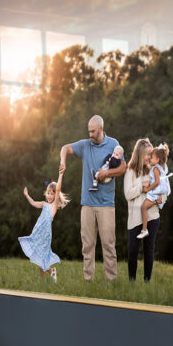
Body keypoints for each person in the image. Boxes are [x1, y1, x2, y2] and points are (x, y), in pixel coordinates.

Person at [59, 115, 126, 282]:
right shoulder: (85, 145)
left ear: (101, 129)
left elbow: (123, 168)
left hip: (106, 205)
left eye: (93, 131)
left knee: (108, 245)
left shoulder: (113, 144)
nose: (91, 135)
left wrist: (107, 173)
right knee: (87, 246)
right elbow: (65, 147)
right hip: (87, 204)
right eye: (89, 131)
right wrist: (63, 161)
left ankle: (111, 282)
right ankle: (88, 280)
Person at [18, 171, 70, 282]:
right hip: (37, 232)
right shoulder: (43, 204)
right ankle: (44, 280)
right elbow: (33, 203)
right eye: (48, 193)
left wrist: (60, 175)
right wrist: (27, 196)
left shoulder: (54, 206)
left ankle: (51, 272)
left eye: (52, 194)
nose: (49, 196)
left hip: (45, 235)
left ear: (55, 195)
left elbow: (58, 188)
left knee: (42, 257)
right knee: (38, 258)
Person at [124, 138, 162, 282]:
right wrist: (142, 186)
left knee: (149, 251)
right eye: (147, 154)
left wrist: (160, 199)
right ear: (139, 154)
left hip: (152, 216)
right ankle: (131, 282)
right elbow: (128, 194)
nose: (149, 157)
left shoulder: (155, 170)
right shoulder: (130, 171)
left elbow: (163, 191)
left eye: (151, 154)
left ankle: (147, 282)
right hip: (135, 219)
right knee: (133, 251)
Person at [137, 144, 171, 239]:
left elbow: (157, 182)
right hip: (155, 192)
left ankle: (144, 230)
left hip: (155, 193)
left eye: (151, 158)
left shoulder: (156, 169)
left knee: (143, 207)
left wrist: (148, 189)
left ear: (158, 160)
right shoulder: (157, 167)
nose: (150, 159)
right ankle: (144, 229)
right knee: (144, 207)